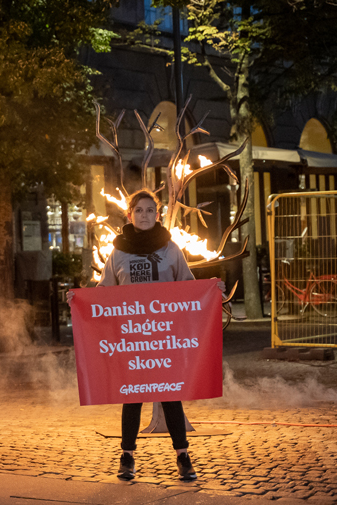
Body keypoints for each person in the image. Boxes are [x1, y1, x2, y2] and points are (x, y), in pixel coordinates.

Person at [68, 189, 224, 482]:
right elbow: (105, 291)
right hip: (131, 337)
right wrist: (80, 300)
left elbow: (188, 287)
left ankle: (183, 456)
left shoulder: (171, 249)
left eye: (150, 210)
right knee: (132, 397)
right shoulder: (118, 252)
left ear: (157, 215)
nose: (144, 216)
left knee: (170, 395)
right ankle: (127, 457)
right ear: (130, 215)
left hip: (164, 337)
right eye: (139, 211)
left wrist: (213, 292)